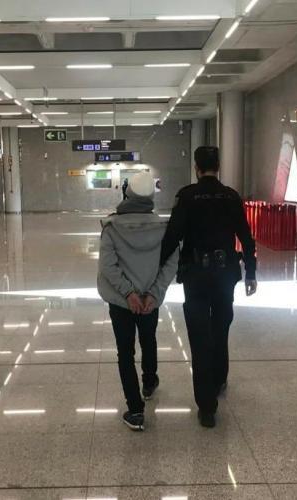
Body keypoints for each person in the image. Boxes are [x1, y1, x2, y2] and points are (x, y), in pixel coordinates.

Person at [160, 146, 257, 428]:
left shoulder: (187, 196)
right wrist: (251, 273)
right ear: (218, 166)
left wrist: (156, 269)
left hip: (197, 276)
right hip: (226, 274)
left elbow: (172, 237)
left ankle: (207, 407)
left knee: (200, 335)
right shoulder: (231, 196)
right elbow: (246, 237)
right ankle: (219, 379)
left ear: (196, 168)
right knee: (221, 326)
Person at [97, 171, 178, 431]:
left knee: (125, 351)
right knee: (148, 338)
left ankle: (135, 410)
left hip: (122, 302)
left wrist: (128, 294)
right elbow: (171, 263)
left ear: (127, 193)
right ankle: (149, 382)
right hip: (149, 301)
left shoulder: (112, 228)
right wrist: (153, 293)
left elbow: (108, 266)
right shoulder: (164, 229)